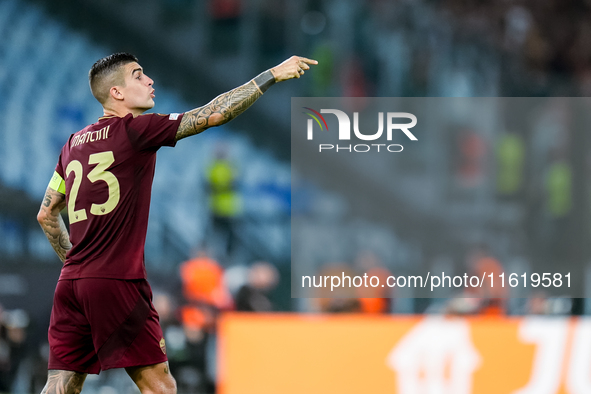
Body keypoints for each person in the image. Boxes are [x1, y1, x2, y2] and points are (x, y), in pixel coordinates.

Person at [36, 52, 317, 394]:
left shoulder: (72, 145)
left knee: (60, 384)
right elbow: (214, 113)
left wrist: (76, 264)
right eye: (138, 75)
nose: (149, 80)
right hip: (116, 280)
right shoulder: (136, 130)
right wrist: (271, 74)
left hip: (71, 283)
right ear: (117, 93)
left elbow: (46, 212)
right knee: (161, 387)